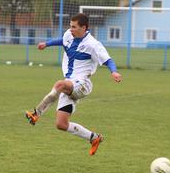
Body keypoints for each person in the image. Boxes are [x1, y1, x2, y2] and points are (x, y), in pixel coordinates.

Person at [26, 13, 122, 156]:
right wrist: (46, 44)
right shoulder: (69, 35)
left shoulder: (93, 44)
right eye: (70, 26)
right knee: (61, 124)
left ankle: (36, 114)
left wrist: (113, 72)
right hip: (70, 83)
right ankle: (94, 138)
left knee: (59, 85)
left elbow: (108, 60)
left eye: (74, 27)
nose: (70, 29)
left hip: (82, 84)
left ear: (84, 28)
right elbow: (62, 41)